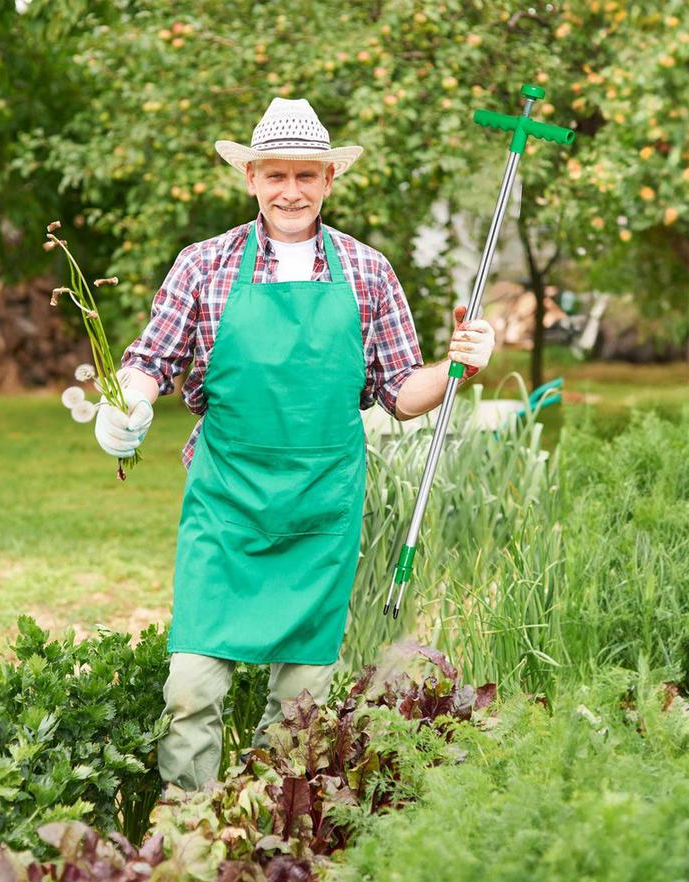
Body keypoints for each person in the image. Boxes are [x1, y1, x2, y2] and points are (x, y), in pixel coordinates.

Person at [93, 98, 495, 792]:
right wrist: (124, 402)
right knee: (191, 686)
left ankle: (268, 836)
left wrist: (459, 366)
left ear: (328, 181)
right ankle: (186, 840)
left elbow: (401, 393)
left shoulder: (368, 273)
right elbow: (150, 361)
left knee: (301, 705)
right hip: (227, 504)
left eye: (306, 176)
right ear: (251, 176)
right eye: (275, 175)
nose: (291, 191)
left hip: (320, 509)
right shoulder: (204, 266)